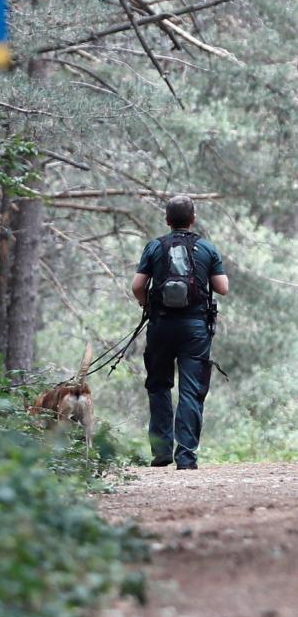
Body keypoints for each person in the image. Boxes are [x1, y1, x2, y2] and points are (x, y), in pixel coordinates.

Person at [131, 195, 229, 470]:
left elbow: (138, 285)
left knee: (159, 385)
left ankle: (161, 452)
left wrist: (146, 304)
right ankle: (186, 457)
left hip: (161, 326)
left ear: (167, 220)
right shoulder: (206, 248)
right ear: (193, 219)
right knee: (191, 390)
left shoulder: (155, 247)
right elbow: (222, 288)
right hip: (195, 328)